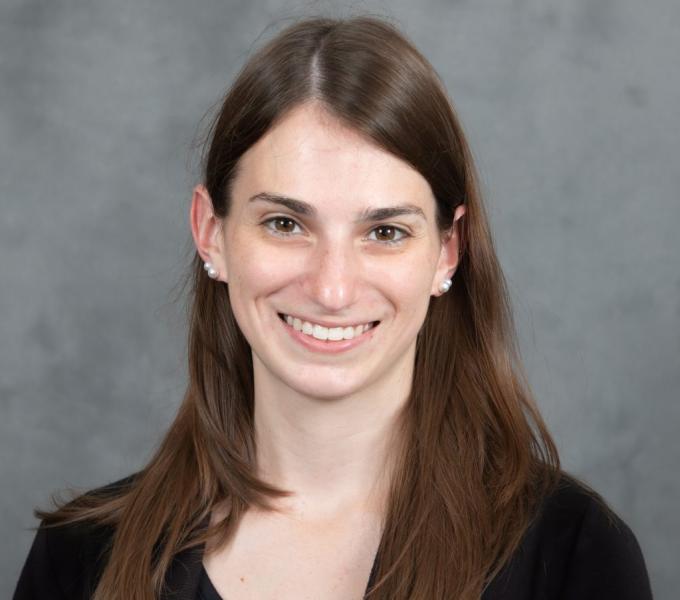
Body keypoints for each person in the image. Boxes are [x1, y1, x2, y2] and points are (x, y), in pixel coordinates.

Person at [14, 14, 653, 600]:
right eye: (286, 223)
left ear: (447, 252)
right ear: (211, 231)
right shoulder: (79, 561)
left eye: (385, 232)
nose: (333, 288)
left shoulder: (572, 556)